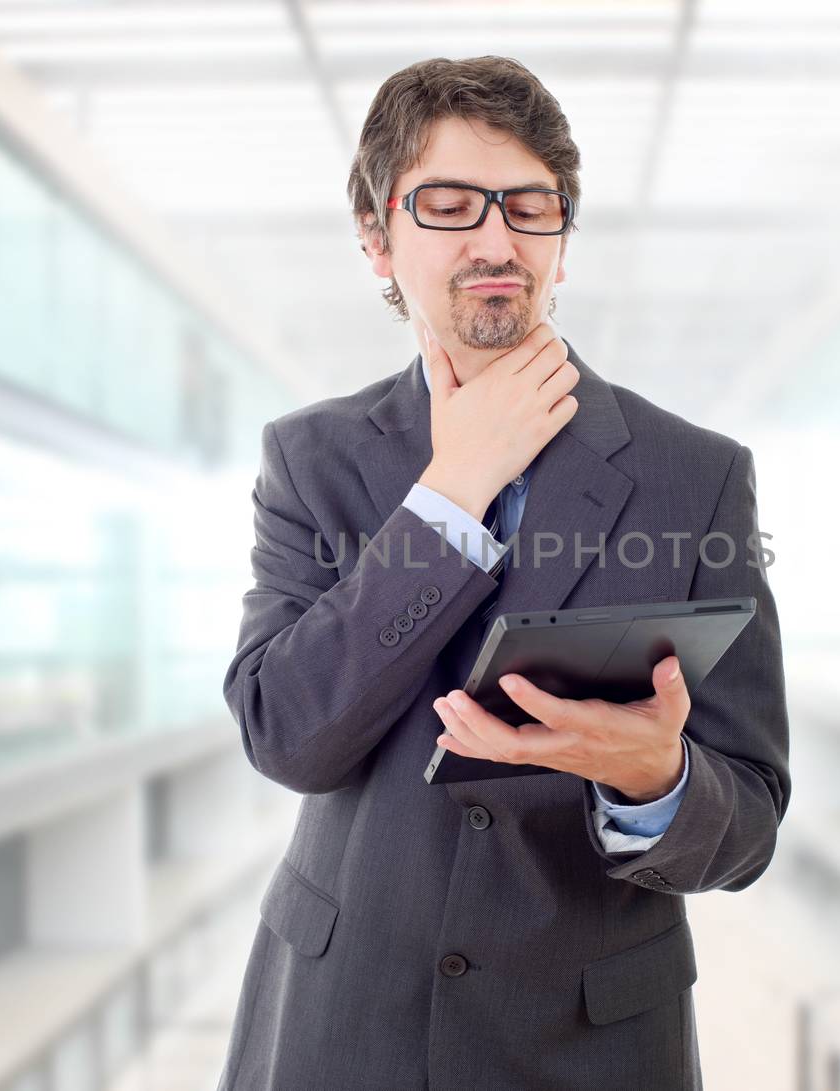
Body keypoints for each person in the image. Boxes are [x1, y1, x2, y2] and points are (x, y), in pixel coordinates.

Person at [217, 55, 789, 1091]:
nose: (496, 239)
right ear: (376, 237)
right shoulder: (313, 458)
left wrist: (653, 777)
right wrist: (451, 490)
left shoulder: (697, 476)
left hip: (592, 1042)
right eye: (449, 204)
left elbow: (747, 821)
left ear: (561, 243)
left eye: (530, 206)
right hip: (344, 1024)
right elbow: (286, 732)